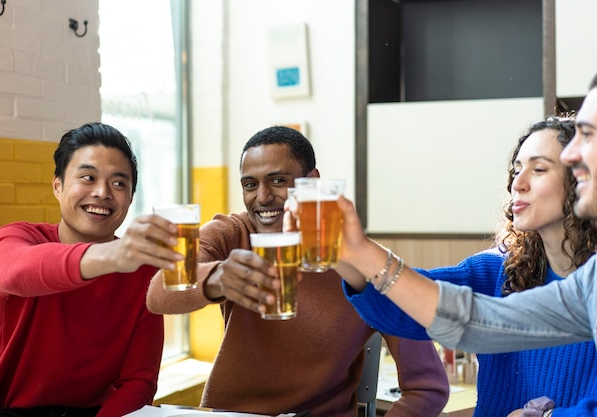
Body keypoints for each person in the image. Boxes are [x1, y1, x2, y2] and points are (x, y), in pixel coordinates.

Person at [282, 73, 597, 416]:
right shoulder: (500, 269)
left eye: (538, 170)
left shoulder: (586, 286)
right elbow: (425, 308)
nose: (517, 184)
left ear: (579, 175)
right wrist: (343, 251)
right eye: (516, 168)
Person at [146, 126, 450, 417]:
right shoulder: (231, 234)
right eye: (250, 185)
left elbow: (428, 387)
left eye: (277, 181)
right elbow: (159, 294)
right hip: (228, 414)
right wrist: (218, 278)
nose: (262, 197)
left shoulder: (365, 265)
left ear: (312, 183)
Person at [0, 123, 181, 417]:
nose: (102, 192)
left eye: (119, 183)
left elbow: (138, 382)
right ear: (57, 186)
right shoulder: (14, 239)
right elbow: (13, 273)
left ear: (131, 197)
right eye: (87, 177)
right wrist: (111, 255)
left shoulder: (142, 270)